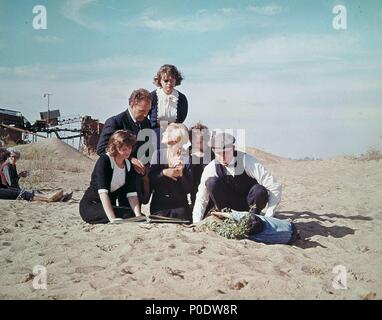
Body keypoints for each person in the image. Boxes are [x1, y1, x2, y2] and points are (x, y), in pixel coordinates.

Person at [192, 132, 282, 223]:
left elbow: (275, 186)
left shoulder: (247, 161)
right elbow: (201, 198)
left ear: (233, 148)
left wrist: (268, 217)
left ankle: (252, 220)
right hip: (228, 208)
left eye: (226, 153)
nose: (222, 157)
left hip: (250, 204)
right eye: (219, 153)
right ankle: (226, 218)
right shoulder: (211, 167)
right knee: (212, 182)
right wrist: (196, 222)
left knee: (260, 190)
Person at [96, 88, 153, 204]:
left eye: (148, 110)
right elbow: (101, 149)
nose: (145, 114)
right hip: (115, 179)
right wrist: (130, 159)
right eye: (142, 110)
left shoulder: (146, 123)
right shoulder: (115, 122)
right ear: (132, 104)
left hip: (136, 181)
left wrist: (146, 167)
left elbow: (146, 150)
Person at [80, 130, 143, 224]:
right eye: (124, 149)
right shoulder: (104, 161)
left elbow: (132, 194)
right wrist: (112, 219)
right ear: (115, 147)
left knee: (132, 214)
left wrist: (139, 216)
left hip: (110, 206)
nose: (128, 151)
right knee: (125, 215)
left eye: (129, 148)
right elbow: (103, 193)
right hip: (92, 205)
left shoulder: (128, 164)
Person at [149, 123, 193, 221]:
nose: (164, 133)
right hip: (160, 205)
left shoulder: (186, 158)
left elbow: (189, 188)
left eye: (168, 132)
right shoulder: (158, 154)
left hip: (180, 206)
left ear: (176, 138)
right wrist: (164, 173)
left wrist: (181, 175)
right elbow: (151, 181)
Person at [211, 207, 299, 245]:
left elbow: (231, 215)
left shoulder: (257, 237)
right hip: (290, 227)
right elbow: (232, 215)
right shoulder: (260, 218)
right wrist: (216, 213)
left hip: (290, 239)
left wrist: (215, 214)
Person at [188, 122, 214, 207]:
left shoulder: (213, 154)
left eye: (206, 139)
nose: (204, 142)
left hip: (212, 196)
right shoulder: (186, 155)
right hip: (195, 195)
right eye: (201, 140)